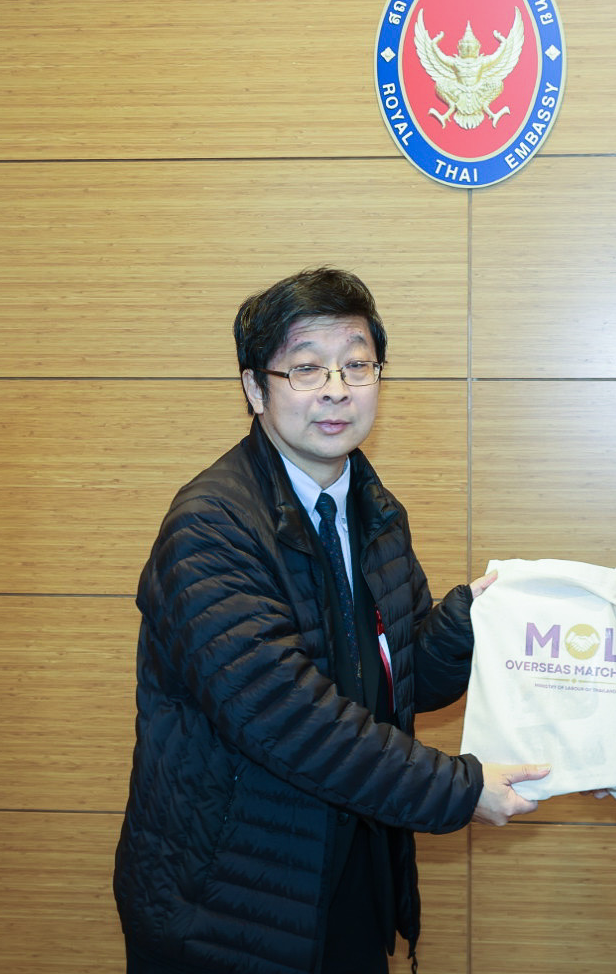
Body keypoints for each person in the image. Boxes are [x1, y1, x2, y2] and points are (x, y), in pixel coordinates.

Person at [114, 267, 547, 974]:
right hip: (232, 906)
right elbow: (286, 718)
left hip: (350, 879)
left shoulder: (374, 510)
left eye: (357, 365)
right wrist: (459, 790)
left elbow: (402, 678)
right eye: (307, 368)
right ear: (255, 389)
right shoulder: (211, 526)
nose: (337, 390)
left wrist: (475, 618)